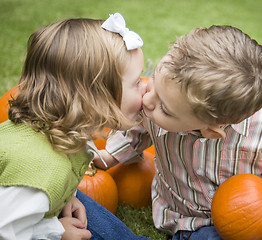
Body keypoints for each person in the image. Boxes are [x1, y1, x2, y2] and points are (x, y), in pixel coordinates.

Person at [95, 25, 262, 239]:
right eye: (153, 82)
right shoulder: (158, 103)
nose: (147, 100)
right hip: (193, 220)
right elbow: (135, 131)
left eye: (164, 109)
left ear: (211, 131)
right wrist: (108, 157)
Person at [0, 13, 150, 240]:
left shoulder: (60, 132)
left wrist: (65, 196)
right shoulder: (43, 172)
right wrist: (55, 231)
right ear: (96, 99)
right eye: (137, 82)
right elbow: (6, 230)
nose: (145, 89)